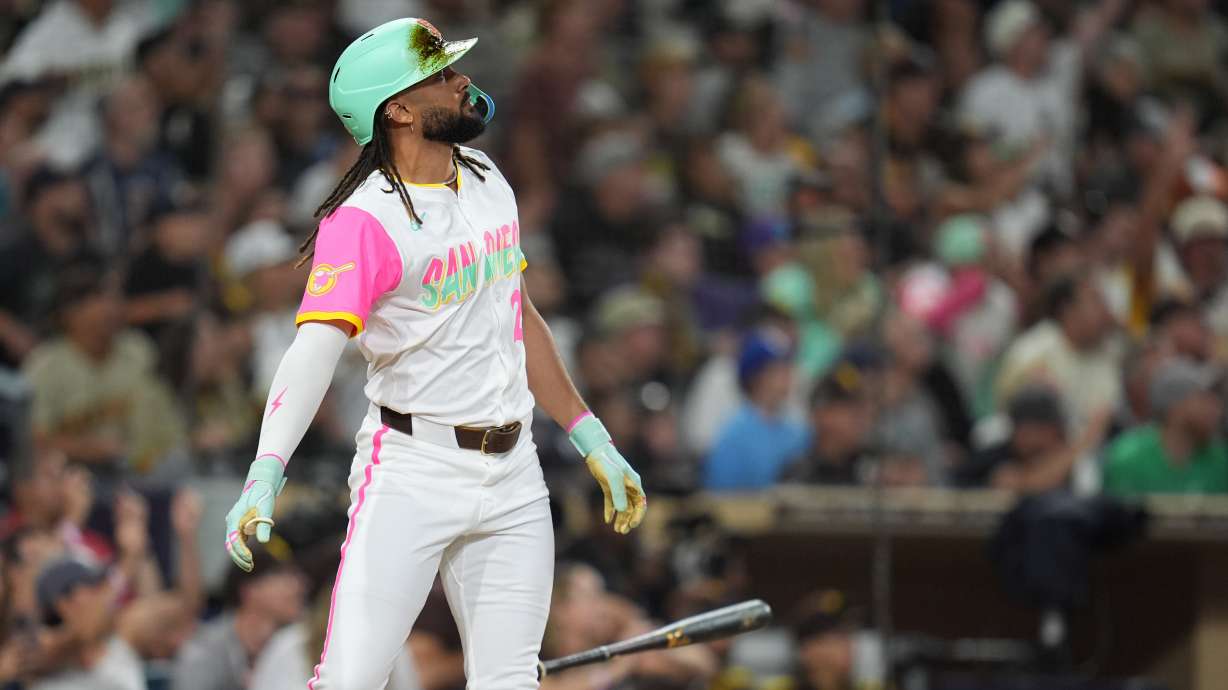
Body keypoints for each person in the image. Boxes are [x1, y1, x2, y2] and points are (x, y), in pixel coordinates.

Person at [222, 18, 646, 690]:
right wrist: (265, 470)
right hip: (413, 471)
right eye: (442, 76)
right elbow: (313, 352)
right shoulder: (363, 219)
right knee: (348, 681)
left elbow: (517, 314)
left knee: (509, 681)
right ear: (398, 108)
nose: (462, 81)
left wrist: (590, 434)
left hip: (513, 473)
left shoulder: (484, 175)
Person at [172, 544, 307, 690]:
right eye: (283, 577)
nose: (298, 587)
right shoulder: (206, 652)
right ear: (248, 590)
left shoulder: (296, 645)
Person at [703, 328, 810, 491]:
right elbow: (721, 497)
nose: (788, 378)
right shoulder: (734, 435)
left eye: (787, 369)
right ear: (757, 377)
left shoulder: (796, 431)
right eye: (778, 371)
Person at [1103, 358, 1228, 495]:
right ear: (1175, 405)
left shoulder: (1220, 460)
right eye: (1204, 398)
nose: (1216, 408)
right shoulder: (1128, 457)